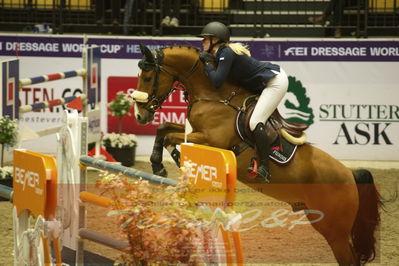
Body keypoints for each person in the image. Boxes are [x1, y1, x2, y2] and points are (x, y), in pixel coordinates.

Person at [197, 21, 288, 183]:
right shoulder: (221, 53)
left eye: (205, 39)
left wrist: (208, 65)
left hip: (275, 82)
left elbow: (217, 81)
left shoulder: (226, 53)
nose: (202, 42)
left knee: (255, 121)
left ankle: (265, 168)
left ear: (215, 40)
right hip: (264, 82)